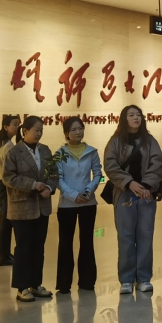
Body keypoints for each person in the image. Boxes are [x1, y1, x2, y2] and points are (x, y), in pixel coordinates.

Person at [104, 105, 162, 295]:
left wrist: (146, 186)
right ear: (124, 118)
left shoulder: (150, 141)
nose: (136, 118)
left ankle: (144, 278)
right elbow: (110, 165)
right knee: (126, 237)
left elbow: (157, 164)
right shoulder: (115, 141)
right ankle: (127, 279)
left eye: (138, 115)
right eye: (131, 115)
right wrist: (129, 183)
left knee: (145, 235)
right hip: (124, 192)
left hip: (146, 194)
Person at [4, 115, 57, 303]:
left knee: (38, 247)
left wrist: (49, 187)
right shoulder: (14, 152)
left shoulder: (45, 150)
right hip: (21, 208)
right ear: (25, 131)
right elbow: (9, 178)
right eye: (36, 130)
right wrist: (33, 185)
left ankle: (36, 284)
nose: (39, 134)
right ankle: (22, 287)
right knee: (24, 247)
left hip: (42, 207)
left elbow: (53, 173)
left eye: (41, 130)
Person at [55, 116, 102, 293]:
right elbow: (58, 178)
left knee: (87, 241)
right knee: (65, 243)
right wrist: (73, 196)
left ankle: (87, 282)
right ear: (66, 133)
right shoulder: (60, 153)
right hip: (66, 205)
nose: (78, 132)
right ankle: (64, 284)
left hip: (88, 203)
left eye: (80, 128)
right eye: (73, 130)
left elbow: (98, 174)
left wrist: (89, 191)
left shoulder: (91, 151)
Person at [0, 115, 20, 266]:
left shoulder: (0, 142)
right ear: (6, 126)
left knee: (5, 220)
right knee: (6, 221)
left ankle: (4, 253)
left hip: (1, 184)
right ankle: (3, 255)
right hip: (7, 184)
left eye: (18, 124)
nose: (17, 127)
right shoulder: (8, 146)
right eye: (14, 124)